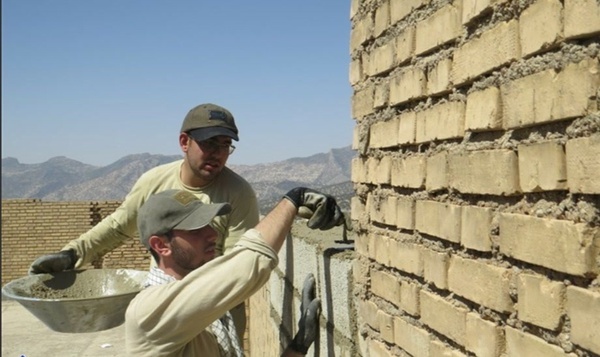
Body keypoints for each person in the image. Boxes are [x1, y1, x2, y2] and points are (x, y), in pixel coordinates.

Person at [28, 103, 259, 339]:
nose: (218, 153)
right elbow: (118, 227)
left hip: (213, 321)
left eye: (225, 145)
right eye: (210, 143)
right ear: (184, 142)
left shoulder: (238, 193)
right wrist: (72, 255)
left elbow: (237, 266)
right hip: (163, 314)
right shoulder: (154, 182)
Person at [126, 187, 344, 356]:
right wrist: (293, 200)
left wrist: (298, 347)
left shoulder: (204, 308)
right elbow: (247, 263)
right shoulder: (148, 311)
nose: (212, 234)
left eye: (209, 224)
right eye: (195, 229)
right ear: (161, 245)